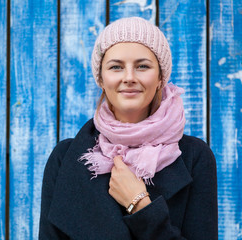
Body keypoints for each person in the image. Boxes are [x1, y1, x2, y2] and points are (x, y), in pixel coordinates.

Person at [39, 17, 218, 240]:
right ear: (101, 79)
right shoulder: (65, 158)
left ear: (161, 77)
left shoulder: (194, 157)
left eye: (142, 66)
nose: (129, 77)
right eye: (116, 67)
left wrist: (141, 206)